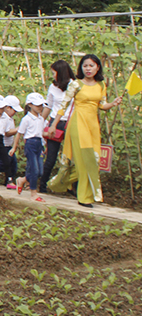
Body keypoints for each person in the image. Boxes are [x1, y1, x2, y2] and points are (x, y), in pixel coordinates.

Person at [46, 54, 122, 207]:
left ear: (97, 67)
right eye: (85, 66)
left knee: (94, 160)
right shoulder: (76, 84)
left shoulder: (101, 85)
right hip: (77, 123)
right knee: (83, 160)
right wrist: (53, 125)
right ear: (81, 68)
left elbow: (102, 105)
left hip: (93, 125)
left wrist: (113, 104)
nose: (88, 69)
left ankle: (60, 182)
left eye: (91, 65)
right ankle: (84, 197)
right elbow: (63, 106)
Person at [40, 60, 74, 193]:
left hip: (71, 122)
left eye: (54, 73)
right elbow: (48, 105)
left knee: (72, 157)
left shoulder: (74, 85)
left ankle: (71, 186)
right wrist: (41, 120)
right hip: (55, 123)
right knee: (51, 157)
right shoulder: (53, 87)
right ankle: (43, 185)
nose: (53, 76)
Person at [11, 92, 47, 200]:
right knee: (34, 170)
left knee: (40, 171)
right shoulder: (26, 119)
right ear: (30, 105)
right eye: (37, 105)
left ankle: (22, 180)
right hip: (30, 144)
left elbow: (41, 133)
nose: (40, 108)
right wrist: (14, 147)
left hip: (39, 144)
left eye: (41, 105)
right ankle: (33, 193)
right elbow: (19, 134)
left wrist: (45, 145)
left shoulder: (41, 119)